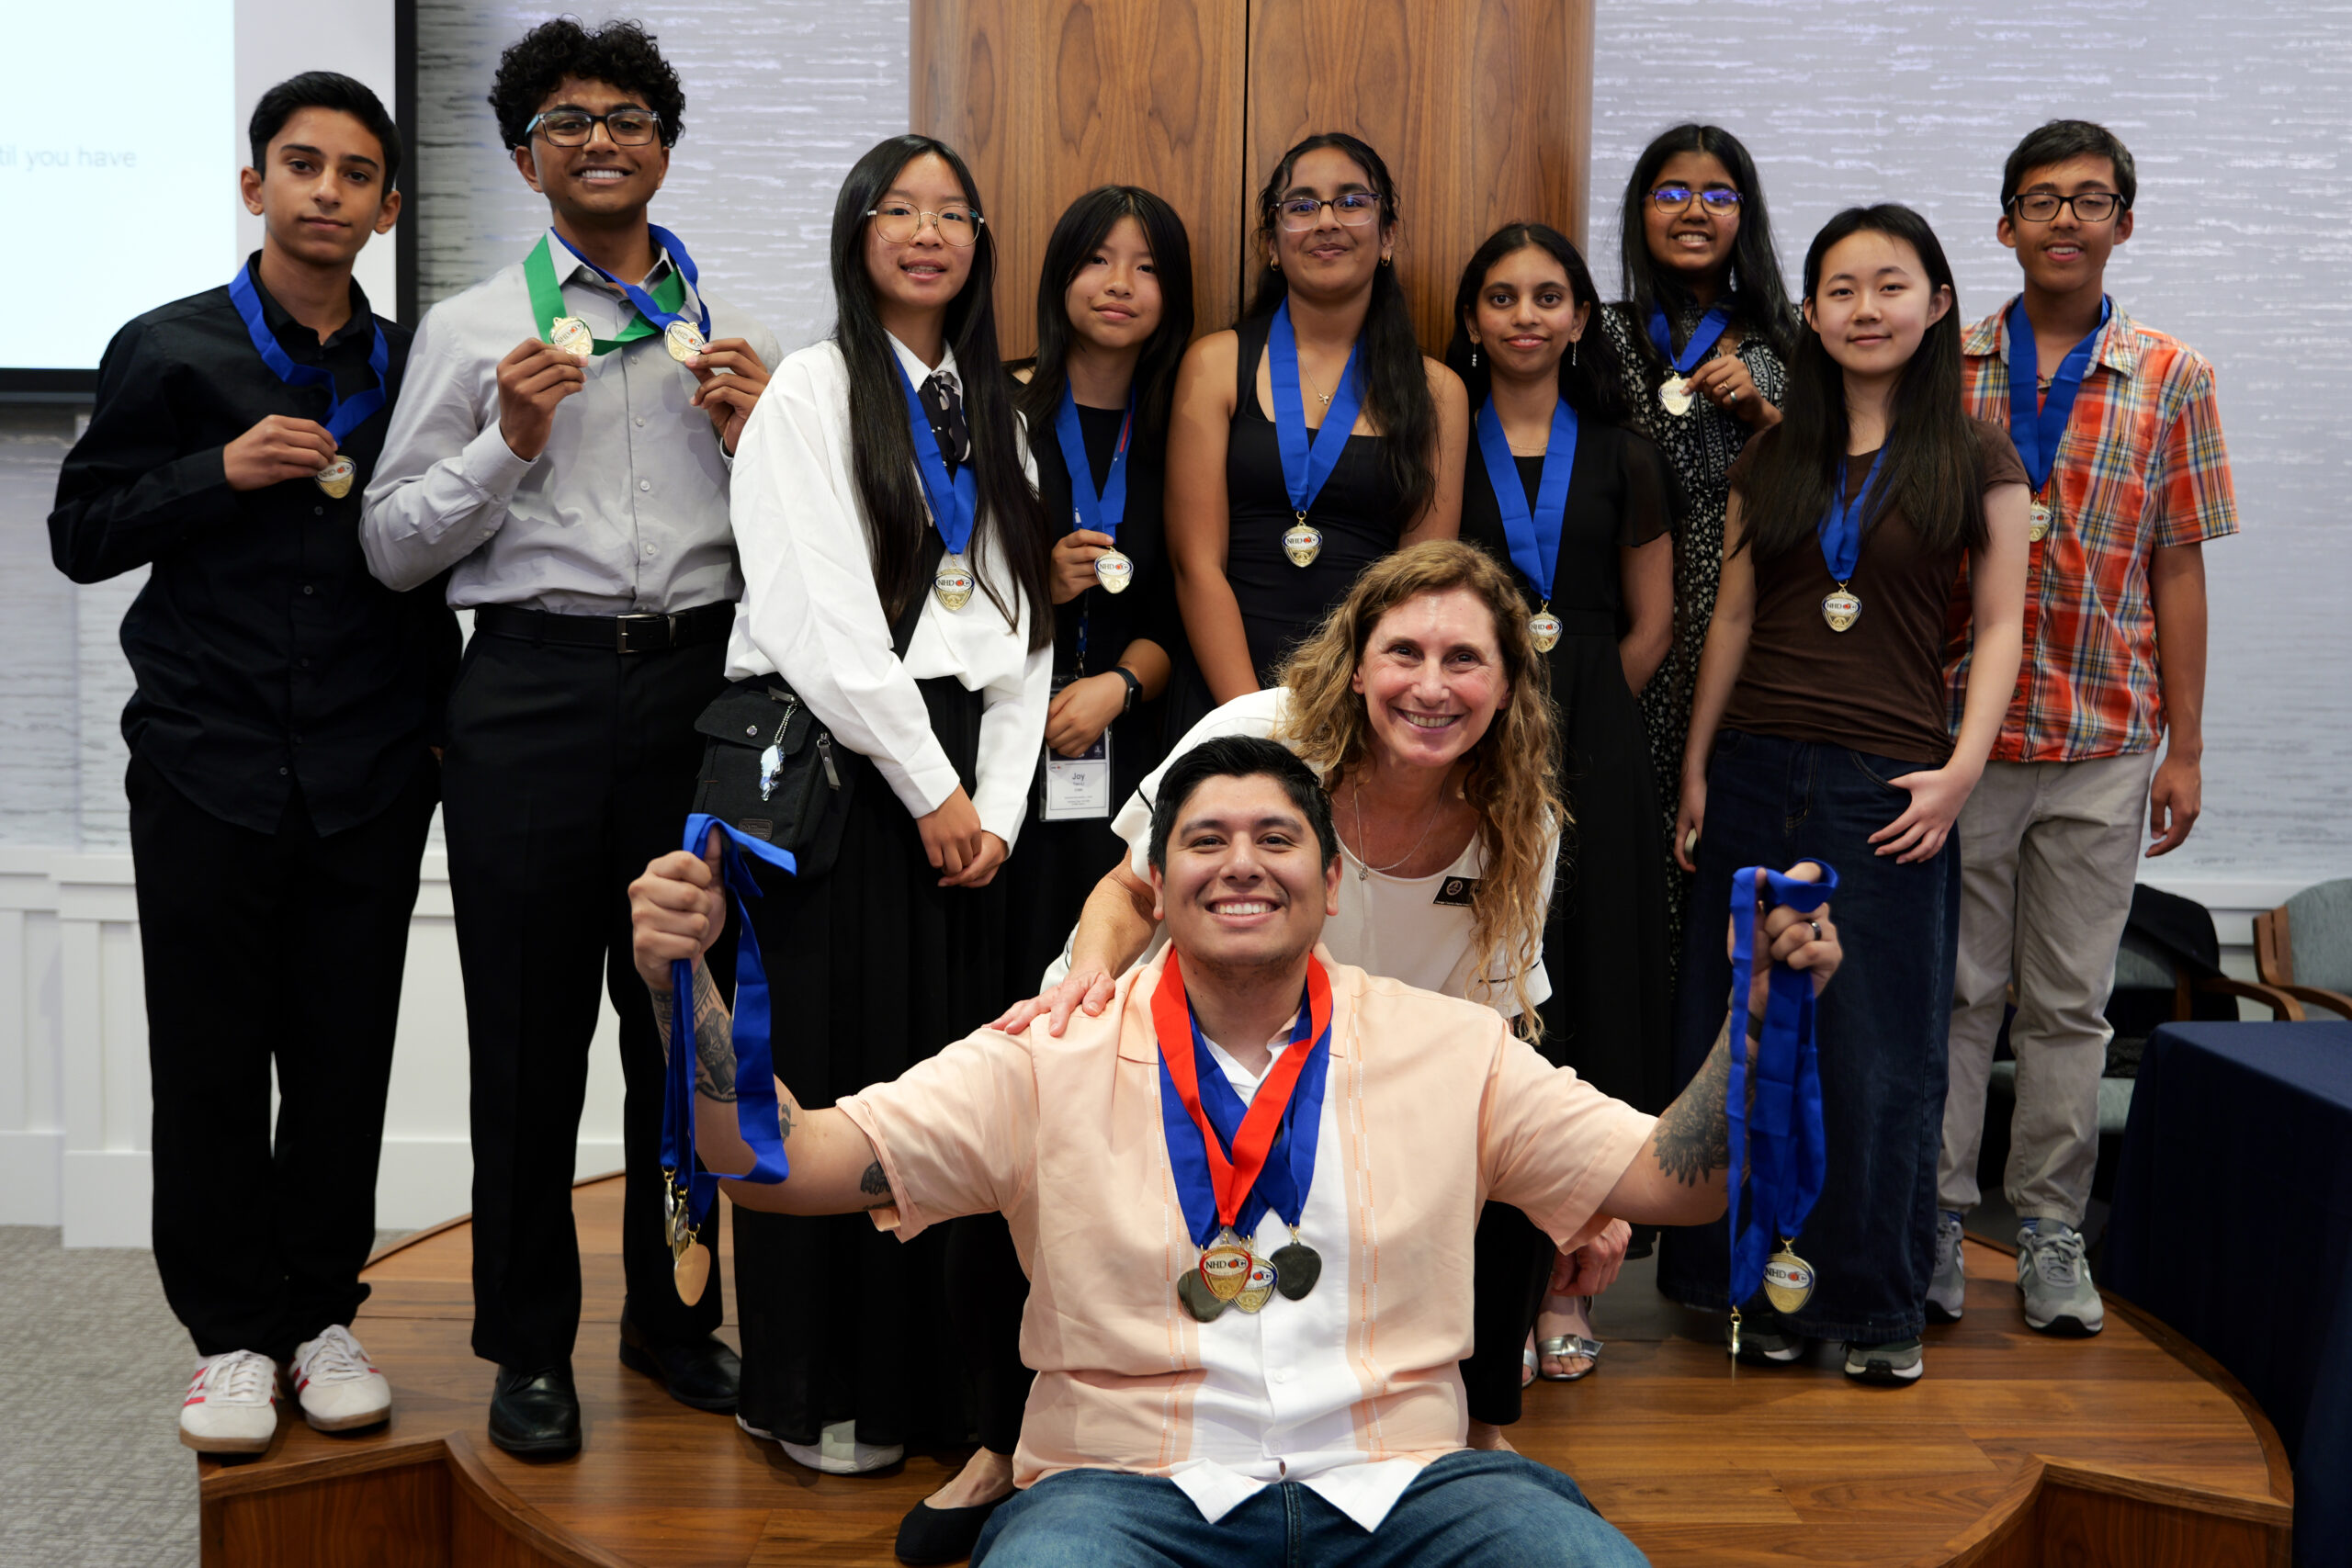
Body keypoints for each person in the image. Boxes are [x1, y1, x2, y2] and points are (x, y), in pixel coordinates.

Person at [628, 737, 1844, 1568]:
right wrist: (690, 984)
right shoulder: (1046, 1051)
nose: (1242, 860)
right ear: (1155, 884)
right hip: (1125, 1487)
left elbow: (1677, 1182)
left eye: (1278, 836)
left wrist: (1758, 1023)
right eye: (1204, 839)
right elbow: (784, 1163)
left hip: (1409, 1478)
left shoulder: (1453, 1044)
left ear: (1330, 883)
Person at [361, 18, 780, 1457]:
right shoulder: (477, 328)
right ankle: (526, 1343)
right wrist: (501, 446)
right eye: (566, 119)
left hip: (698, 693)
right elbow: (393, 548)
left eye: (627, 117)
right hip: (528, 692)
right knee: (528, 1036)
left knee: (686, 1029)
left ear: (665, 144)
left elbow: (795, 548)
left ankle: (673, 1318)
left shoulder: (729, 327)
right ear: (525, 154)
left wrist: (759, 443)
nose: (600, 139)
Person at [995, 540, 1628, 1452]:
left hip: (1364, 1081)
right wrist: (1087, 983)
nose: (1431, 686)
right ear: (1358, 661)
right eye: (1405, 654)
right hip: (1186, 1045)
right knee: (1022, 1095)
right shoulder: (1258, 735)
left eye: (1463, 661)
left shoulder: (1521, 817)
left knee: (1509, 1154)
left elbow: (1490, 1030)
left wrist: (1577, 1183)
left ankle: (1479, 1436)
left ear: (1507, 681)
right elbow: (1130, 891)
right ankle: (991, 1449)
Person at [49, 72, 452, 1453]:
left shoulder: (415, 368)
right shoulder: (164, 349)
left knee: (344, 1058)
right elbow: (82, 532)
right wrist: (213, 471)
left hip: (372, 769)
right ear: (253, 185)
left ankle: (321, 1315)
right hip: (207, 763)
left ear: (387, 206)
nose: (327, 191)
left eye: (354, 173)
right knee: (211, 1063)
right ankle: (228, 1337)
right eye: (301, 165)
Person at [720, 134, 1053, 1481]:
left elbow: (1028, 621)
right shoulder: (811, 388)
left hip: (966, 786)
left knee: (956, 1094)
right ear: (858, 234)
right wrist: (932, 788)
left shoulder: (999, 407)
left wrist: (1003, 808)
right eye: (898, 211)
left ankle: (945, 1388)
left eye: (954, 214)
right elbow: (821, 622)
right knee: (841, 1072)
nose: (928, 234)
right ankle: (823, 1391)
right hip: (852, 767)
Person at [1665, 204, 2030, 1386]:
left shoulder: (1975, 453)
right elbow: (1726, 617)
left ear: (1935, 306)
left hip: (1888, 782)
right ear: (1811, 315)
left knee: (1876, 1048)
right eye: (1839, 289)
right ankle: (1754, 1293)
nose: (1865, 309)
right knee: (1748, 1037)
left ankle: (1872, 1308)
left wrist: (1964, 767)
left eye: (1890, 285)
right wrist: (1696, 765)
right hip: (1759, 767)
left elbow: (2000, 619)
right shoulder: (1770, 456)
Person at [899, 184, 1195, 1563]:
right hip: (1006, 780)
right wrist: (1052, 600)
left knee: (1132, 1082)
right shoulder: (993, 396)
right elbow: (936, 580)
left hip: (1143, 788)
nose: (1119, 283)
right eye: (1095, 258)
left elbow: (1205, 590)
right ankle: (981, 1407)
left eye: (1145, 264)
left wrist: (1125, 672)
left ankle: (1124, 1394)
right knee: (1021, 1065)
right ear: (1058, 274)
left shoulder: (1195, 403)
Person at [1931, 121, 2237, 1339]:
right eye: (2042, 200)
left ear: (2123, 222)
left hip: (2107, 737)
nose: (2066, 219)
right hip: (1958, 741)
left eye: (2092, 200)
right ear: (2004, 224)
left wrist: (2191, 745)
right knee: (1954, 999)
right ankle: (1938, 1223)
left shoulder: (2174, 375)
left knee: (2069, 1006)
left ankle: (2053, 1229)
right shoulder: (1938, 364)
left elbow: (2180, 568)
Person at [1446, 222, 1678, 1382]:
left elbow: (1653, 624)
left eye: (1548, 296)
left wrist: (1573, 707)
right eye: (1501, 297)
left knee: (1587, 995)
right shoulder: (1448, 440)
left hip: (1593, 732)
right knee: (1499, 999)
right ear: (1473, 320)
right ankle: (1482, 1285)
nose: (1525, 315)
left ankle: (1560, 1292)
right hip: (1470, 732)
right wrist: (1505, 716)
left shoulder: (1627, 452)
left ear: (1583, 319)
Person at [1163, 131, 1468, 732]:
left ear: (1387, 237)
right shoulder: (1215, 364)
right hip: (1223, 698)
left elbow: (1420, 584)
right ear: (1272, 244)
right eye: (1302, 206)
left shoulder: (1438, 392)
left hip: (1368, 706)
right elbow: (1195, 566)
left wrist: (1348, 712)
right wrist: (1253, 722)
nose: (1326, 221)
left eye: (1352, 202)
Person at [1597, 124, 1794, 1004]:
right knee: (1620, 857)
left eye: (1718, 195)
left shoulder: (1789, 341)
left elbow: (1838, 486)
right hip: (1625, 628)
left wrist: (1762, 412)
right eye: (1671, 191)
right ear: (1640, 210)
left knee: (1712, 860)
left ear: (1744, 216)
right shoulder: (1596, 333)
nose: (1693, 211)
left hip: (1740, 635)